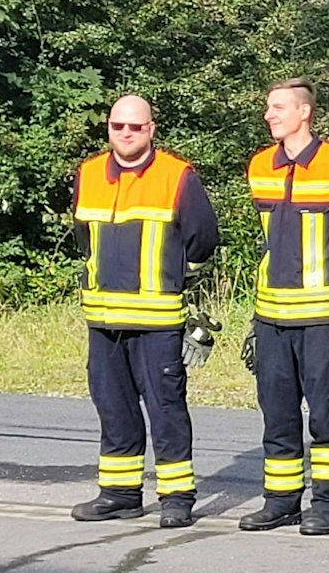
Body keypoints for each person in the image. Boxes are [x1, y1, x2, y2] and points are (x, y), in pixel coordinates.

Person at [69, 95, 221, 528]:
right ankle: (119, 493)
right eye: (118, 126)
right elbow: (86, 239)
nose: (126, 134)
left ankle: (176, 497)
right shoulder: (89, 174)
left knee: (166, 407)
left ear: (151, 129)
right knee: (112, 406)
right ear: (109, 128)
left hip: (157, 320)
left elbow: (203, 239)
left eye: (135, 127)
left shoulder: (177, 176)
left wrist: (174, 276)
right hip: (103, 318)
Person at [240, 78, 329, 536]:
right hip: (272, 316)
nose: (269, 116)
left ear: (304, 113)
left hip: (322, 317)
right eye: (268, 108)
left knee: (327, 414)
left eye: (278, 108)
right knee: (276, 412)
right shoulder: (260, 166)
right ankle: (280, 500)